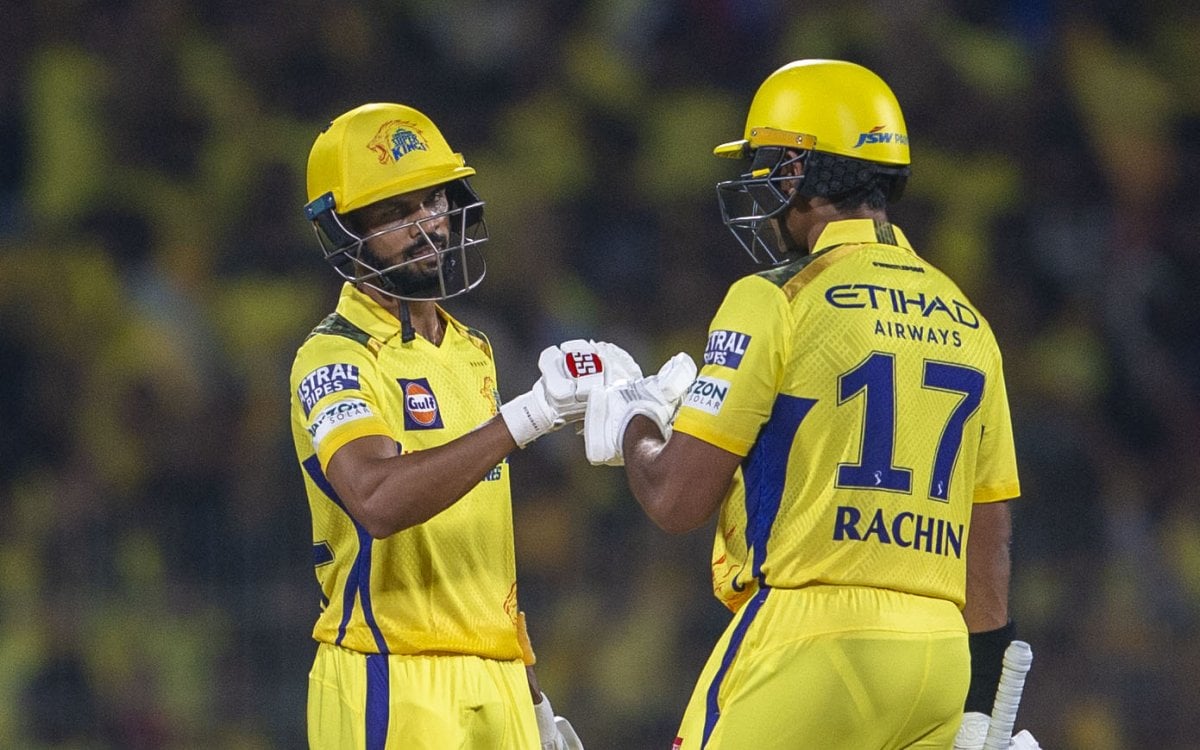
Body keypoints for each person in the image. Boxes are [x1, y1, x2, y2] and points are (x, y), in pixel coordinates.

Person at [582, 60, 1039, 749]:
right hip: (939, 657)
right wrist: (980, 701)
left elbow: (675, 499)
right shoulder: (968, 317)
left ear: (796, 170)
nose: (759, 183)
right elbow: (990, 531)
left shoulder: (775, 296)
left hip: (813, 638)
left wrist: (634, 419)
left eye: (766, 163)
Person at [290, 102, 618, 749]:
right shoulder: (334, 356)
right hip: (390, 673)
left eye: (433, 201)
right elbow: (376, 498)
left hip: (497, 679)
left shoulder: (473, 349)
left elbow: (484, 557)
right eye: (395, 212)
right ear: (344, 229)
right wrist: (526, 417)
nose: (427, 227)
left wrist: (531, 693)